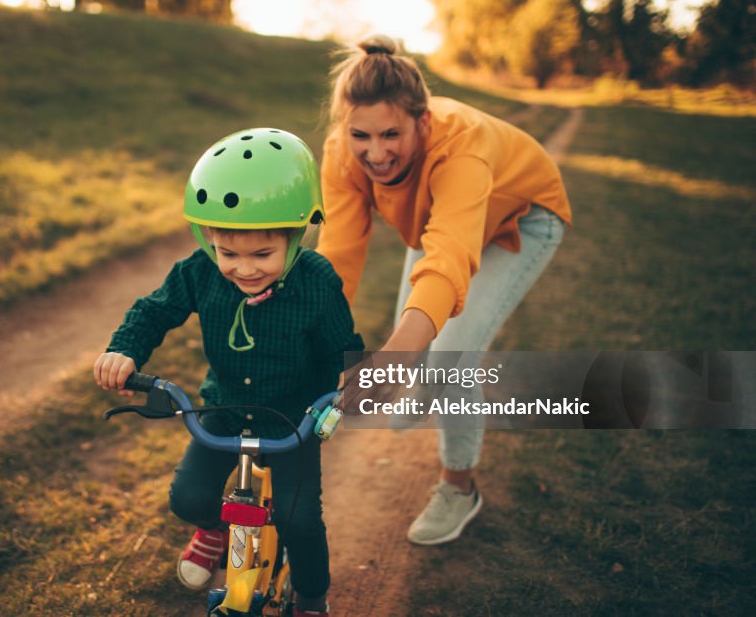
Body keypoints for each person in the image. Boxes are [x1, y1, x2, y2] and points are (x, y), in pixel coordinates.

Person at [94, 128, 363, 617]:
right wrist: (125, 351)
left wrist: (343, 386)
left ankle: (313, 600)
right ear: (207, 238)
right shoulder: (198, 272)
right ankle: (214, 531)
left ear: (297, 236)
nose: (243, 269)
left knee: (299, 520)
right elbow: (154, 311)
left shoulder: (316, 282)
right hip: (222, 410)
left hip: (291, 419)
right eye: (228, 253)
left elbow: (343, 348)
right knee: (189, 498)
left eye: (262, 254)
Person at [317, 36, 572, 546]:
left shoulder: (461, 147)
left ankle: (460, 486)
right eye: (360, 135)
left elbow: (450, 259)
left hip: (522, 218)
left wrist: (395, 359)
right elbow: (337, 257)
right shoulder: (342, 154)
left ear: (423, 123)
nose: (375, 152)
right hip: (442, 218)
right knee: (416, 334)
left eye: (391, 134)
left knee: (450, 354)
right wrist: (311, 333)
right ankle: (422, 384)